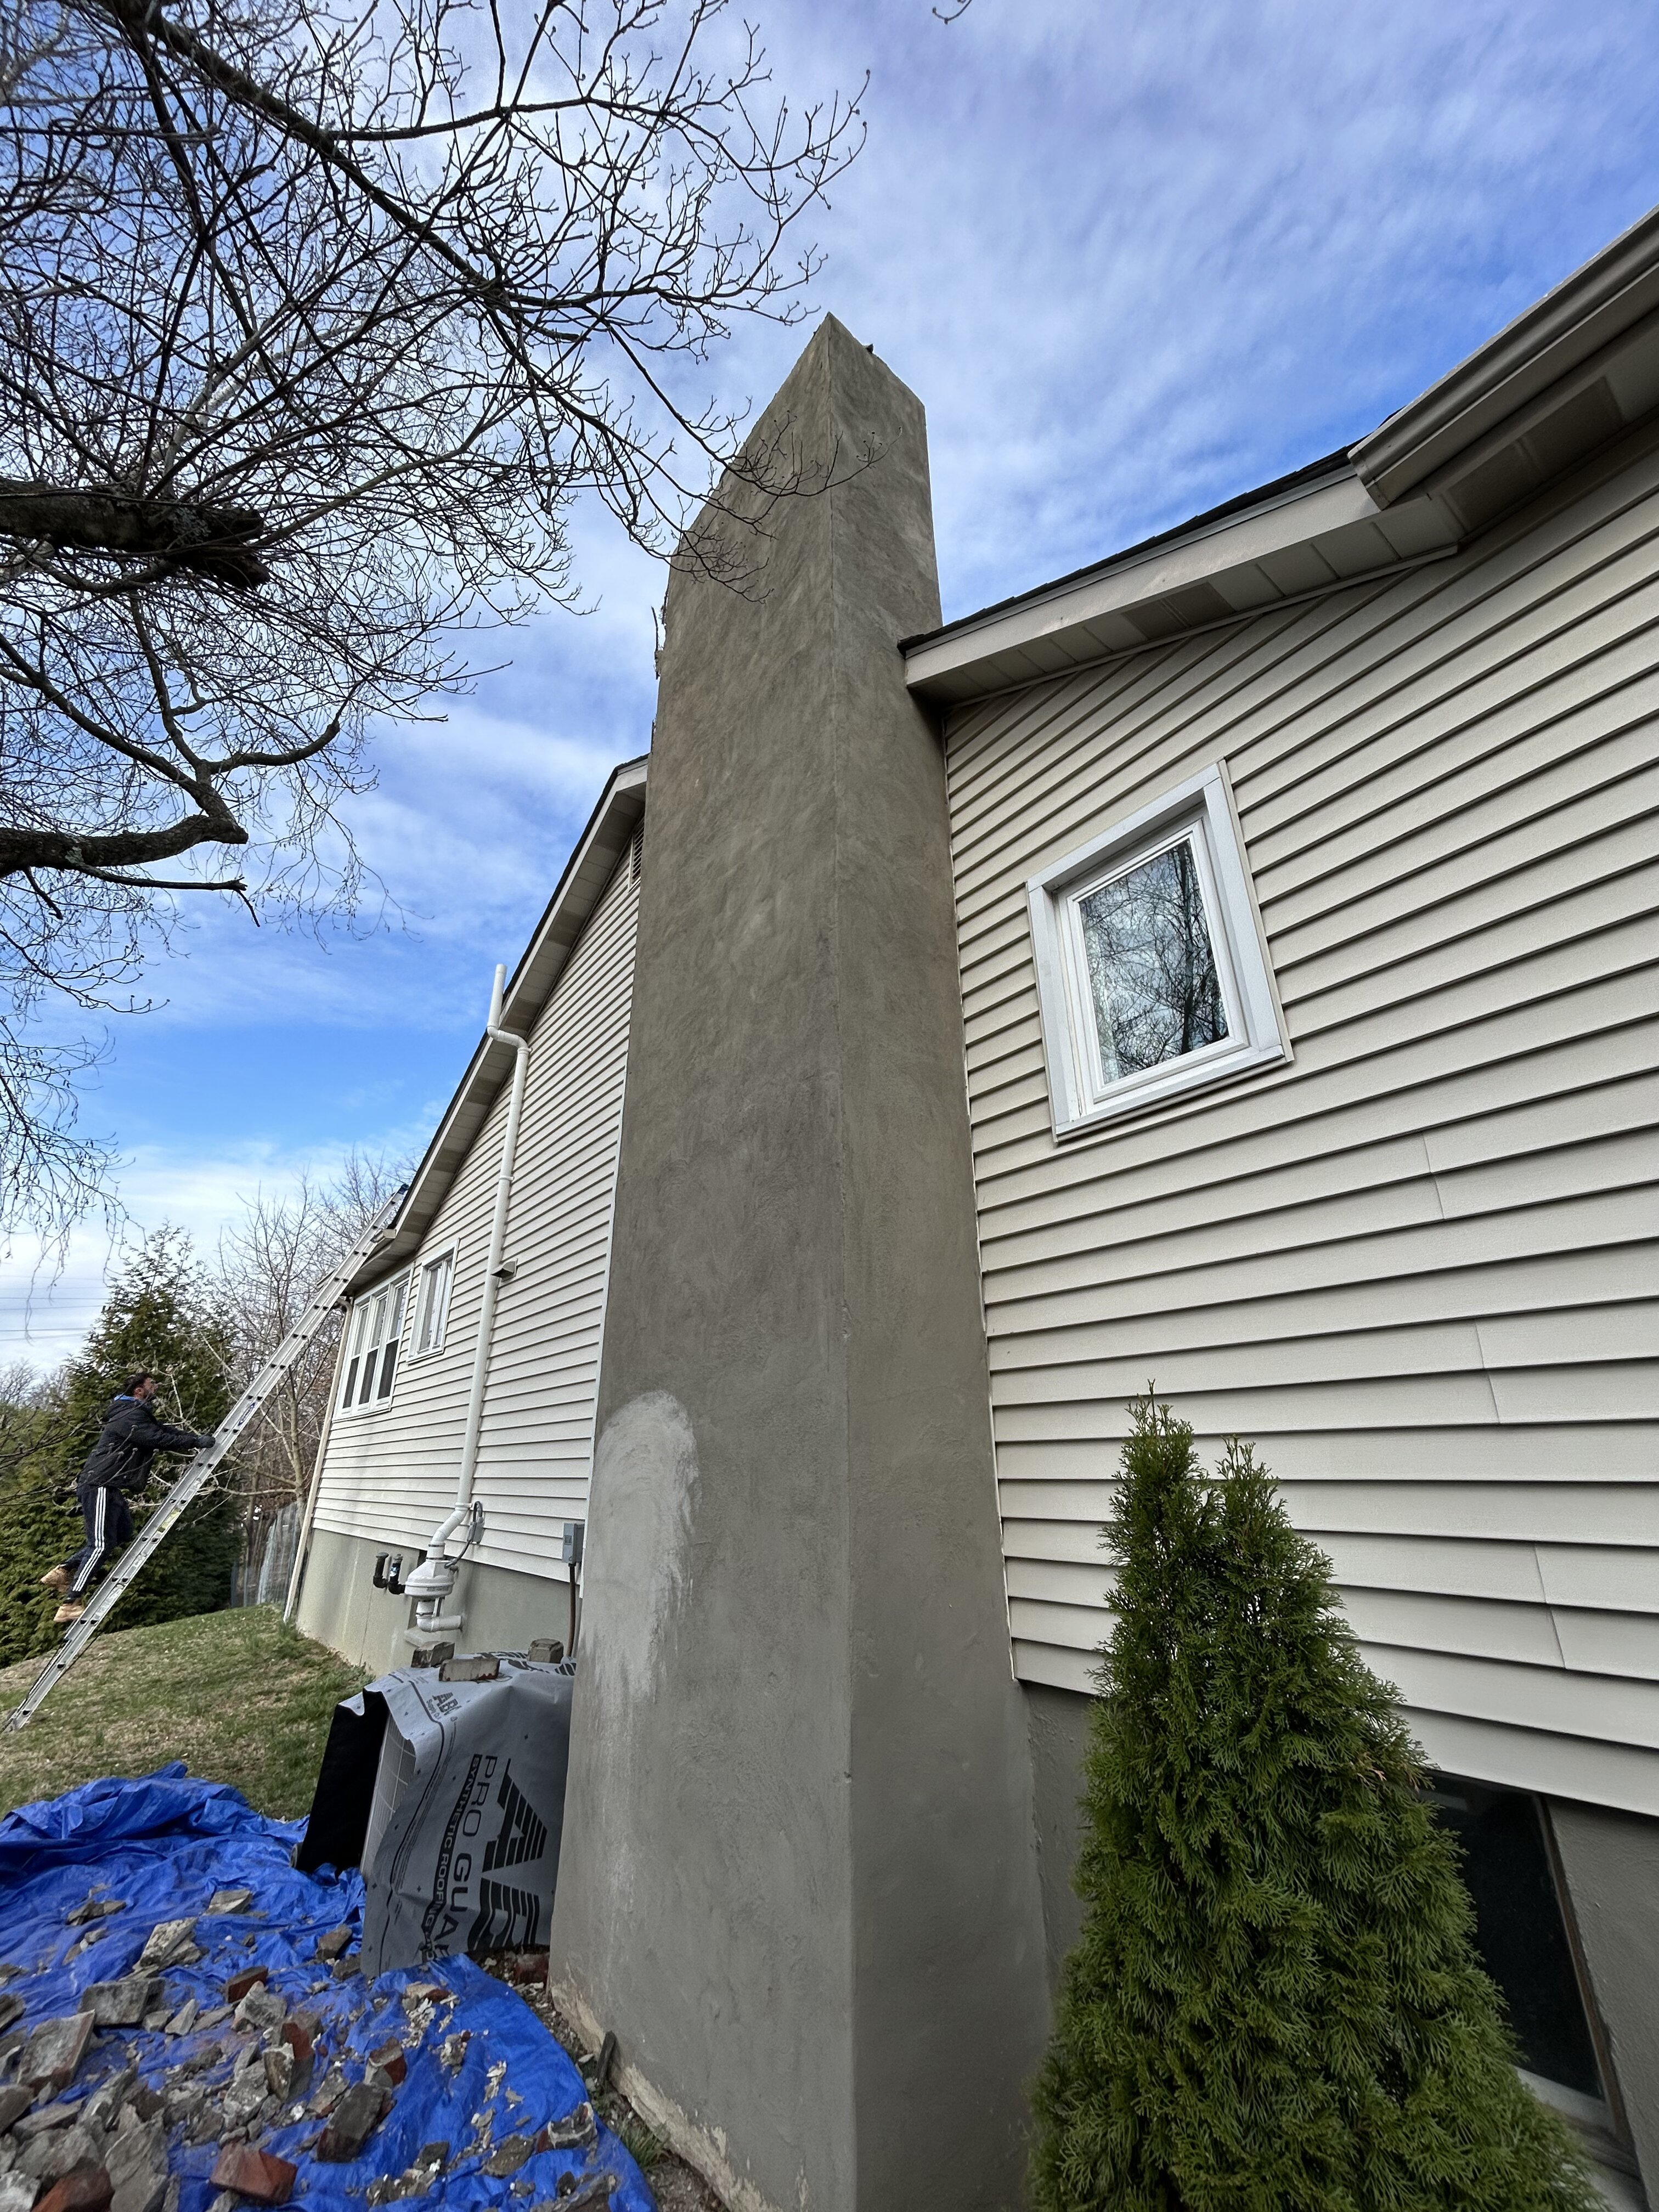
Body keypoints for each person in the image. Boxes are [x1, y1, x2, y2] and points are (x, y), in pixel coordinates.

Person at [38, 1373, 216, 1626]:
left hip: (110, 1485)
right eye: (152, 1384)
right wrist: (194, 1442)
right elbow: (155, 1438)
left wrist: (195, 1439)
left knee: (122, 1533)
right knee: (100, 1545)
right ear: (139, 1391)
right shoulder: (128, 1415)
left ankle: (64, 1571)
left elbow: (162, 1430)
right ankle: (70, 1604)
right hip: (100, 1483)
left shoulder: (136, 1413)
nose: (156, 1387)